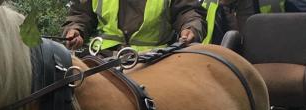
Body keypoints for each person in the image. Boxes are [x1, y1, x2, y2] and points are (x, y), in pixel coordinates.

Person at [63, 0, 207, 53]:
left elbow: (187, 11)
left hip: (154, 60)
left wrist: (191, 27)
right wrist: (76, 30)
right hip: (102, 60)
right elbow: (81, 14)